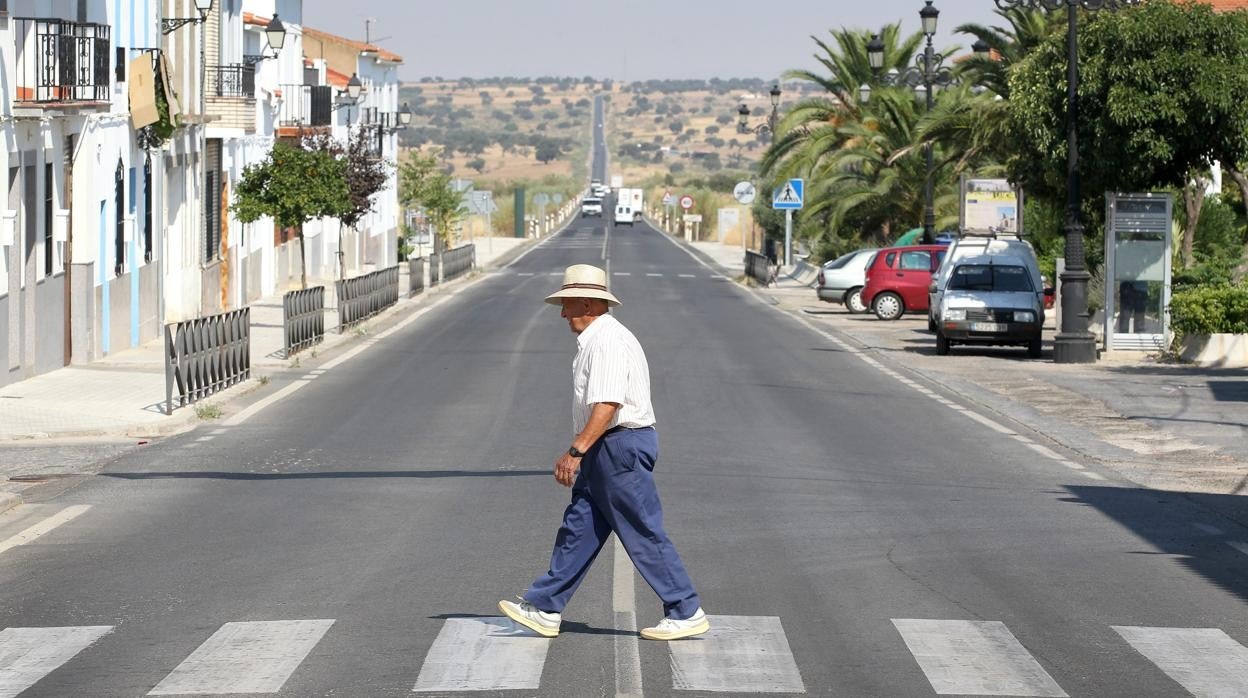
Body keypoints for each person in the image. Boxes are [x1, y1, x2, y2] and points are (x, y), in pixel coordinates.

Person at [499, 264, 709, 641]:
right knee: (579, 528)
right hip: (606, 447)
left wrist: (575, 451)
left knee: (642, 530)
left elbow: (608, 404)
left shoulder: (607, 340)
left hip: (618, 445)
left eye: (567, 305)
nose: (563, 313)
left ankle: (685, 609)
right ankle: (546, 606)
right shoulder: (598, 339)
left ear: (588, 304)